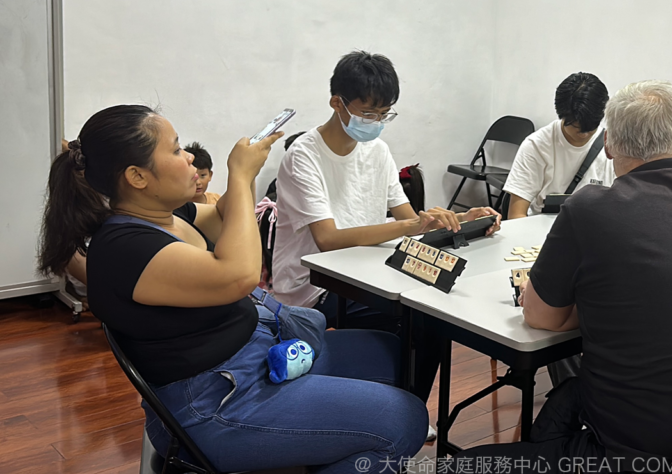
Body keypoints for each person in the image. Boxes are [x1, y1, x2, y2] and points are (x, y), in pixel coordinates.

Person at [37, 105, 427, 473]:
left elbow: (228, 221)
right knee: (403, 420)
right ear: (138, 177)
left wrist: (247, 172)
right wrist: (238, 176)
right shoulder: (125, 248)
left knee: (393, 355)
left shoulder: (169, 216)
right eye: (175, 149)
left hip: (255, 358)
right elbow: (240, 276)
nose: (189, 156)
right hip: (215, 404)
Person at [457, 81, 672, 470]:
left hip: (655, 456)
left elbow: (541, 317)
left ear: (609, 144)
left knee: (460, 465)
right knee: (567, 398)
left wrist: (586, 301)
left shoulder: (591, 208)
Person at [271, 50, 500, 400]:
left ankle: (407, 407)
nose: (376, 121)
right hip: (314, 286)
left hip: (369, 272)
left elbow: (409, 218)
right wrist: (409, 225)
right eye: (368, 113)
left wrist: (461, 219)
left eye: (384, 114)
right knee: (421, 318)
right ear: (337, 103)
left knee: (435, 313)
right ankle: (395, 405)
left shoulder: (377, 151)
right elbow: (328, 239)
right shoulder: (304, 155)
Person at [503, 73, 616, 219]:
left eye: (590, 128)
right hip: (542, 229)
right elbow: (516, 215)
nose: (584, 134)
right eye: (576, 127)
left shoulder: (614, 147)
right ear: (561, 115)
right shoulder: (536, 146)